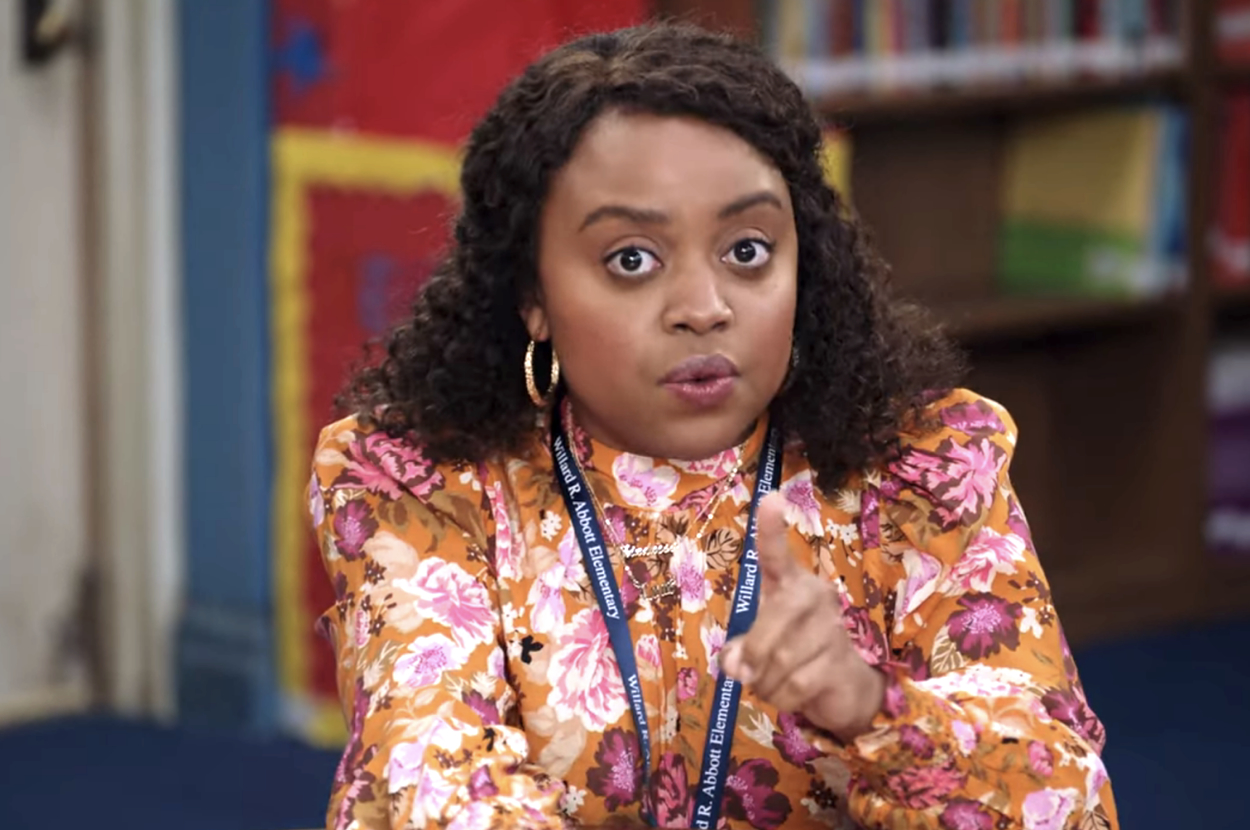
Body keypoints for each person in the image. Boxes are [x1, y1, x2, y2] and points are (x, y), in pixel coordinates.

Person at [308, 22, 1117, 830]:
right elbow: (428, 792)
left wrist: (874, 709)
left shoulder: (926, 468)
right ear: (534, 297)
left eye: (749, 250)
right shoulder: (421, 485)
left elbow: (1058, 800)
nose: (704, 308)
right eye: (632, 259)